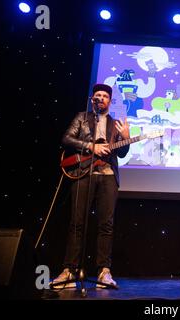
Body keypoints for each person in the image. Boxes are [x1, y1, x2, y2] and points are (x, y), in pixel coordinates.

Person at [51, 83, 130, 289]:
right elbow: (66, 139)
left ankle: (104, 272)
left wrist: (127, 138)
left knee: (106, 224)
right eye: (98, 95)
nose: (101, 98)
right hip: (84, 173)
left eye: (105, 96)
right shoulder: (82, 118)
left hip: (108, 176)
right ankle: (69, 270)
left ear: (110, 101)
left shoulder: (116, 124)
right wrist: (90, 146)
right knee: (76, 223)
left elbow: (121, 153)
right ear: (92, 99)